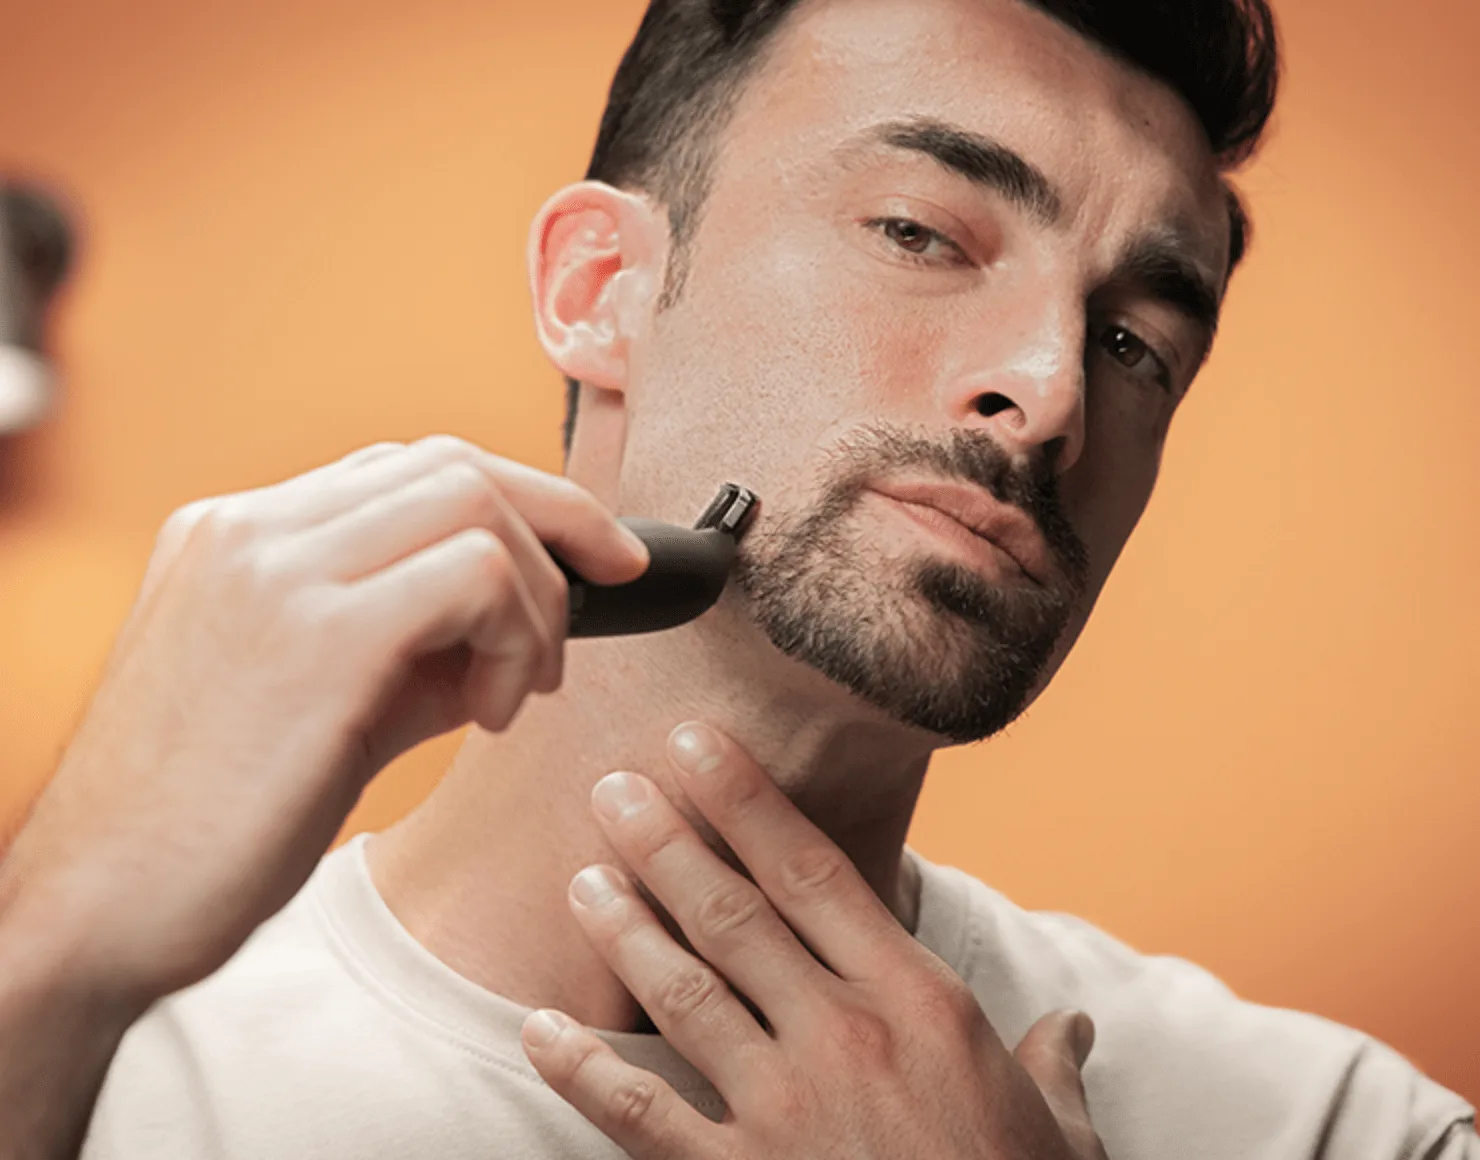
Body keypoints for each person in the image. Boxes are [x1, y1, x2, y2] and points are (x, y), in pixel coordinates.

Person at [0, 0, 1473, 1156]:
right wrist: (48, 955)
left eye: (1136, 341)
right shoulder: (87, 1067)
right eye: (920, 233)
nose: (1048, 394)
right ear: (600, 291)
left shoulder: (1343, 1132)